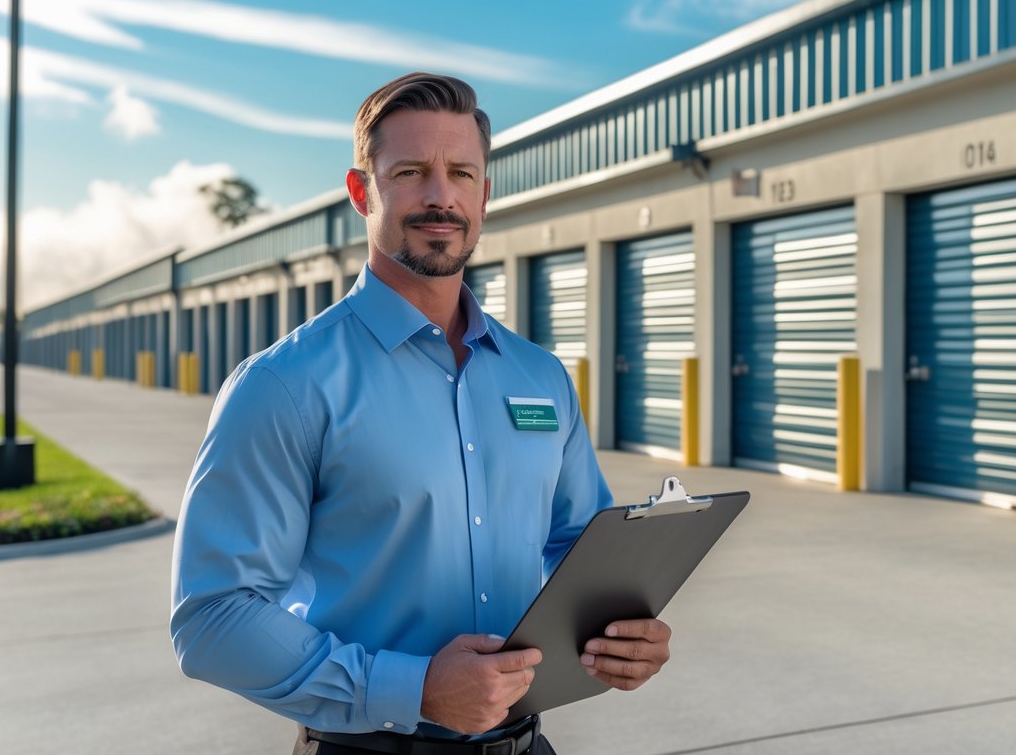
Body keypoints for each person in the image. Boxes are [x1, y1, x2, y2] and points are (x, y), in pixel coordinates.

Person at [170, 72, 672, 755]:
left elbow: (574, 546)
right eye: (410, 172)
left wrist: (619, 631)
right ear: (361, 191)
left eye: (461, 172)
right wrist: (411, 688)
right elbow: (213, 618)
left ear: (484, 194)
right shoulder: (284, 384)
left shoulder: (540, 377)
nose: (441, 196)